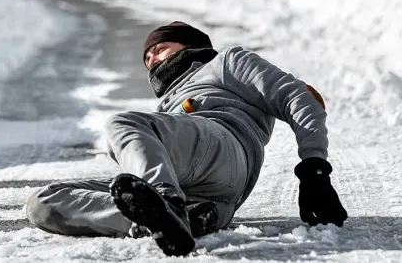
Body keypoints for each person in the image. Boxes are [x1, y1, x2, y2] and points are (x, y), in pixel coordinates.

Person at [25, 21, 348, 256]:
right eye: (147, 58)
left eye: (159, 48)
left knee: (122, 124)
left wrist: (314, 169)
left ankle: (165, 202)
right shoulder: (165, 105)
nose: (152, 59)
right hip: (209, 194)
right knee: (43, 202)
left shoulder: (226, 63)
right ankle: (164, 219)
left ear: (190, 45)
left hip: (223, 146)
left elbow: (299, 97)